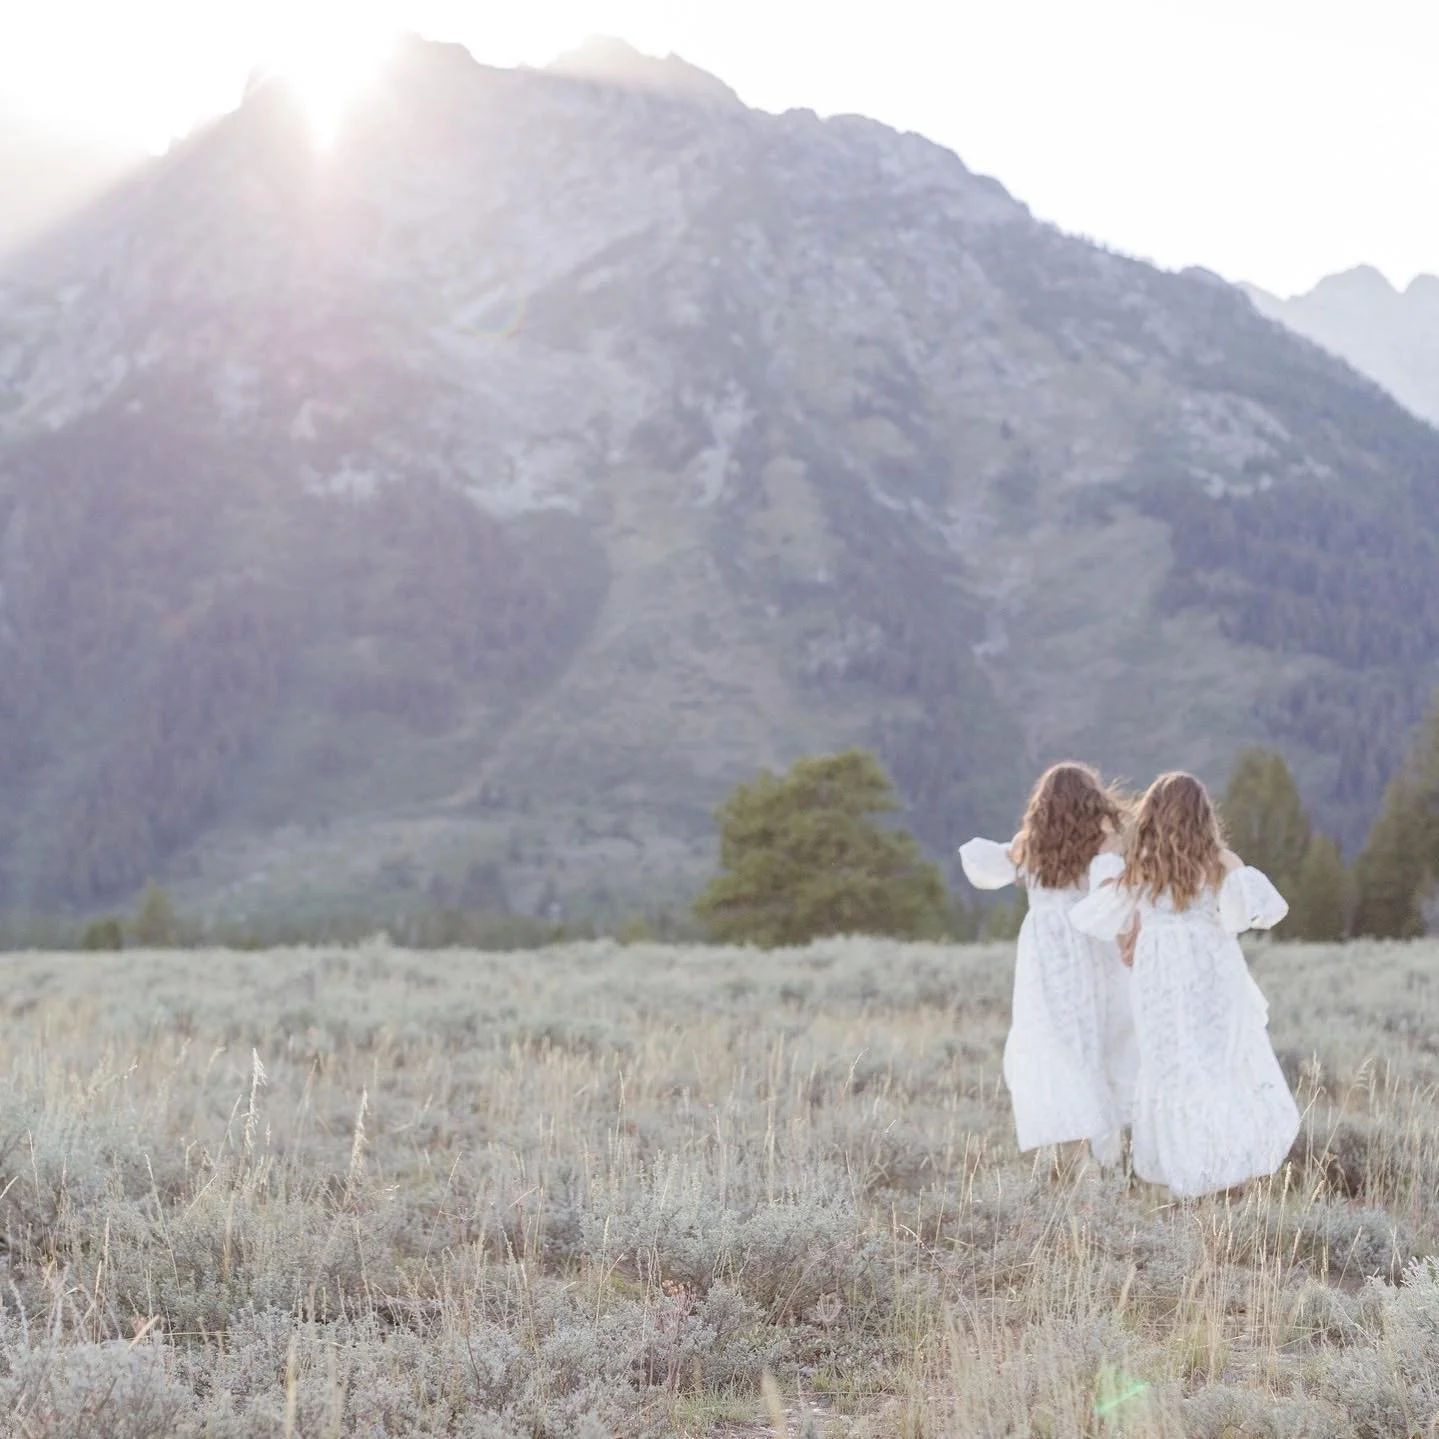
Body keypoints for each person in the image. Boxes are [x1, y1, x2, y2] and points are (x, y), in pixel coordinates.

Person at [1070, 772, 1300, 1198]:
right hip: (1212, 966)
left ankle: (1186, 1171)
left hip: (1159, 973)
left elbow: (1104, 913)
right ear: (1204, 815)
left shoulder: (1142, 863)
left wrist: (1137, 928)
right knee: (1218, 1061)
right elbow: (1252, 912)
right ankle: (1228, 1168)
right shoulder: (1218, 861)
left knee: (1172, 1063)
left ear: (1151, 814)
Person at [960, 762, 1136, 1170]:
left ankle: (1070, 1147)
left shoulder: (1029, 842)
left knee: (1055, 1040)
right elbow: (1111, 897)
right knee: (1099, 1035)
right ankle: (1101, 1150)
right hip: (1091, 940)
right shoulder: (1104, 840)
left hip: (1046, 949)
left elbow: (986, 867)